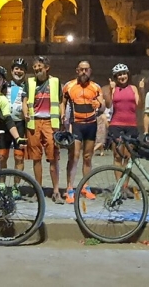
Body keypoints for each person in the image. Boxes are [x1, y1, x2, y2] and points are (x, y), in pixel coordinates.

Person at [22, 56, 64, 204]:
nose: (37, 68)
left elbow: (60, 101)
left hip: (50, 123)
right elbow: (25, 100)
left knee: (53, 158)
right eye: (35, 66)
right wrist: (25, 111)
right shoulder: (29, 82)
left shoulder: (55, 82)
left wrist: (62, 114)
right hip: (34, 123)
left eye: (39, 66)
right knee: (36, 158)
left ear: (47, 67)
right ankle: (38, 191)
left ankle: (56, 191)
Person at [62, 60, 104, 204]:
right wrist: (63, 117)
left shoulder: (96, 87)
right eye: (81, 70)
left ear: (90, 71)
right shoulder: (69, 86)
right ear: (77, 71)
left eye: (86, 70)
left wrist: (99, 104)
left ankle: (86, 186)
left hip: (91, 125)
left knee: (87, 157)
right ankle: (69, 188)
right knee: (74, 157)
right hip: (76, 125)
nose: (84, 72)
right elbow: (63, 103)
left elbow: (103, 105)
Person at [104, 63, 145, 170]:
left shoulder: (133, 88)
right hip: (116, 125)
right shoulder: (113, 89)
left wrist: (141, 90)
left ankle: (125, 184)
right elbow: (108, 105)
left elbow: (140, 105)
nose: (122, 77)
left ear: (128, 75)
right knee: (117, 156)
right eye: (119, 75)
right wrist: (110, 89)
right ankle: (119, 185)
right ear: (116, 77)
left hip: (131, 125)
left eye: (124, 74)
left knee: (128, 157)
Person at [0, 58, 28, 174]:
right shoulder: (4, 85)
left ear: (25, 72)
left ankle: (16, 186)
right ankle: (1, 184)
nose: (18, 71)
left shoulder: (28, 87)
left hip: (20, 124)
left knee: (19, 157)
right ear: (11, 71)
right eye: (16, 68)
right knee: (2, 156)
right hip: (4, 124)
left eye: (21, 69)